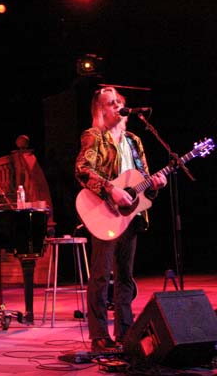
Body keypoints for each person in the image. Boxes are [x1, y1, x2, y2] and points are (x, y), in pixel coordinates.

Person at [75, 86, 167, 353]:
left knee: (125, 276)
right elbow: (82, 169)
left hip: (130, 216)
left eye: (119, 102)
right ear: (101, 110)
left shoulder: (134, 141)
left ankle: (126, 333)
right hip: (103, 213)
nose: (116, 106)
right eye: (110, 103)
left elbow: (144, 180)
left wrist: (156, 183)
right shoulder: (95, 136)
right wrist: (111, 188)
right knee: (102, 276)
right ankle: (99, 336)